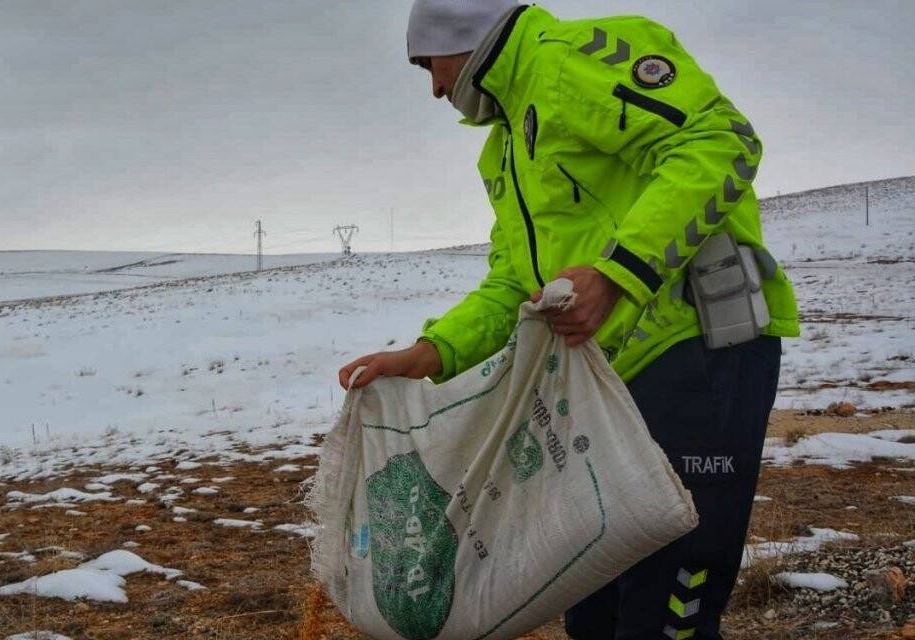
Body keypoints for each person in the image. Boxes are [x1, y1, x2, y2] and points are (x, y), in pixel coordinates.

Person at [336, 2, 799, 639]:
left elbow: (720, 143)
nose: (437, 87)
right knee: (593, 605)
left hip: (696, 351)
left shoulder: (573, 59)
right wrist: (429, 353)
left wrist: (616, 274)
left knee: (664, 608)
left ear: (465, 34)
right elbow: (512, 286)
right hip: (601, 381)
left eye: (430, 65)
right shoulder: (503, 152)